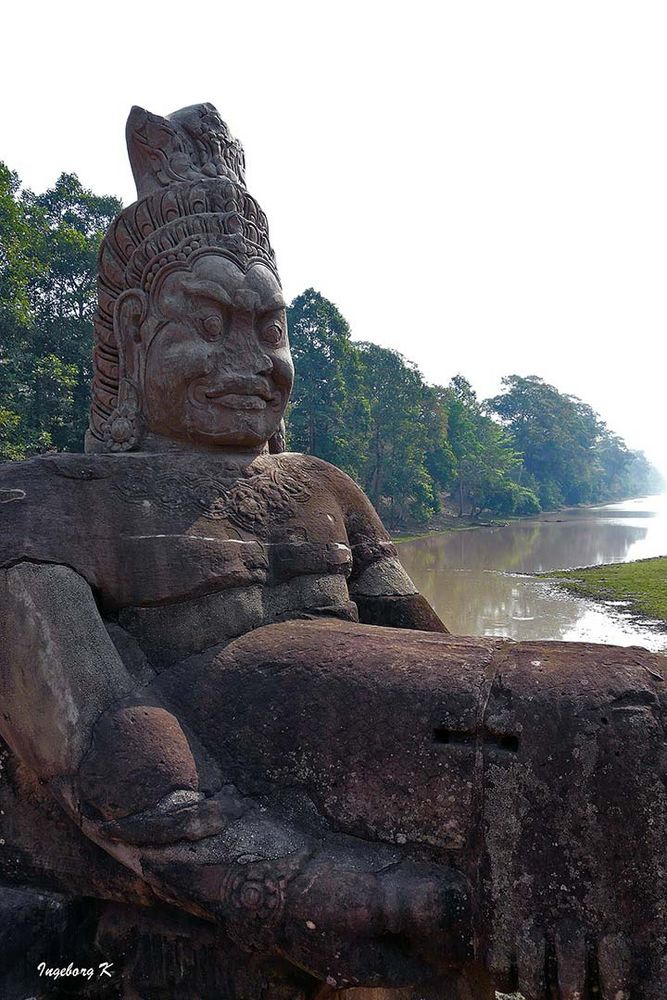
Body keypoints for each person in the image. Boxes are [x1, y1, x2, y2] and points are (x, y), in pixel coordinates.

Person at [0, 104, 664, 999]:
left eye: (268, 329)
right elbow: (94, 734)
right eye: (209, 322)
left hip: (366, 767)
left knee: (617, 708)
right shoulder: (49, 503)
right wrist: (296, 884)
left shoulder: (325, 485)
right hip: (219, 808)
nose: (251, 360)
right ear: (128, 329)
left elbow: (426, 645)